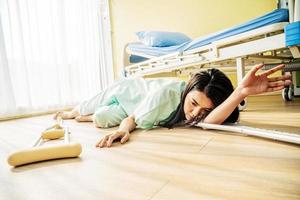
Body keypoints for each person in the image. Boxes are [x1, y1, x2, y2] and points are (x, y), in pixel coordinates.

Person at [54, 64, 291, 148]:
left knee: (101, 118)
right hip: (127, 92)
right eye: (194, 104)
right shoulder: (164, 96)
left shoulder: (200, 109)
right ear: (188, 91)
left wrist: (240, 92)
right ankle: (75, 113)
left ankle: (87, 116)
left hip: (133, 107)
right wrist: (123, 130)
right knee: (87, 111)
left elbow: (208, 122)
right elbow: (133, 120)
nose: (195, 114)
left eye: (204, 111)